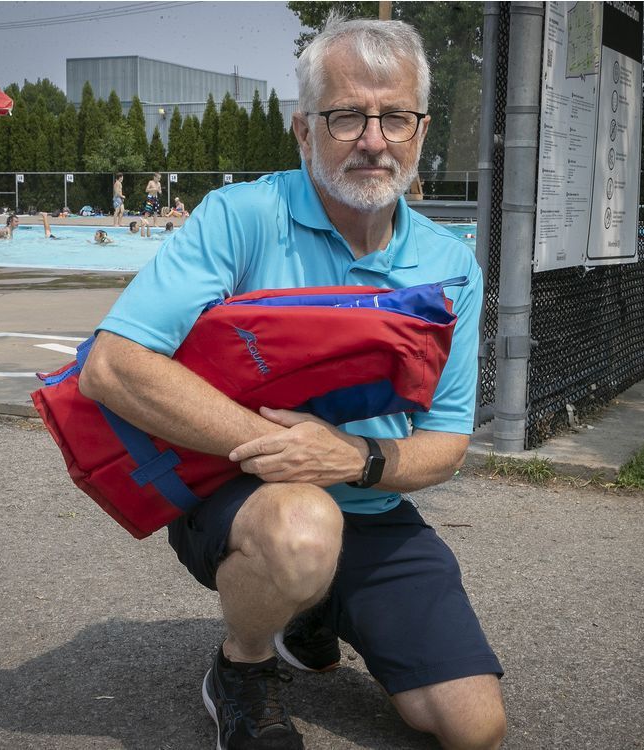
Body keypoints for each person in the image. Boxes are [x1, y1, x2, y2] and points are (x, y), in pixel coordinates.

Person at [78, 14, 504, 750]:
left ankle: (312, 606)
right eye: (346, 117)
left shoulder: (448, 264)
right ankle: (241, 666)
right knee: (305, 524)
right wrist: (286, 450)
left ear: (420, 132)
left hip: (366, 501)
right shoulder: (241, 216)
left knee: (475, 729)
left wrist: (358, 461)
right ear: (305, 131)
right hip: (245, 496)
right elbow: (112, 366)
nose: (373, 140)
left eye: (394, 117)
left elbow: (447, 443)